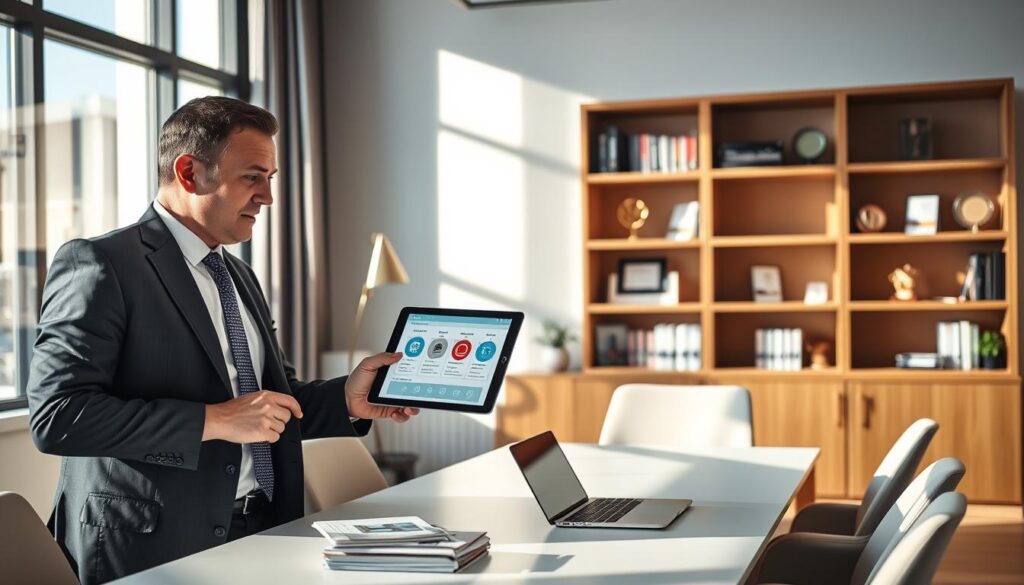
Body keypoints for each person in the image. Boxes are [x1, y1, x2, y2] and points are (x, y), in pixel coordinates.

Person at [26, 96, 418, 584]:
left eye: (269, 180)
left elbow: (269, 406)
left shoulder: (238, 275)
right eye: (252, 177)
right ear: (189, 173)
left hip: (263, 528)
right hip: (152, 545)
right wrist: (212, 420)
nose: (268, 198)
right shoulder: (101, 264)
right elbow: (57, 416)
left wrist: (347, 398)